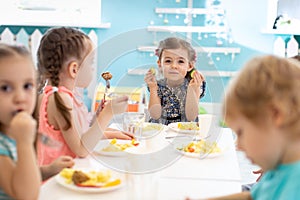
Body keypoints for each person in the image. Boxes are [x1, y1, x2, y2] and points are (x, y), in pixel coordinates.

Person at [204, 55, 300, 199]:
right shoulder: (279, 168)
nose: (239, 146)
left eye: (241, 132)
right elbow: (251, 197)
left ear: (275, 115)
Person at [35, 27, 130, 166]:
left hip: (65, 177)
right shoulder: (60, 99)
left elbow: (79, 135)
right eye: (91, 62)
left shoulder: (54, 96)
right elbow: (81, 149)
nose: (93, 68)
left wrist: (108, 131)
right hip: (58, 181)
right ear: (74, 69)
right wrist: (108, 113)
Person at [0, 43, 41, 199]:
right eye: (5, 88)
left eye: (27, 86)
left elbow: (20, 173)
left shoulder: (14, 133)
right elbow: (25, 196)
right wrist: (24, 143)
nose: (20, 97)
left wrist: (49, 169)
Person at [144, 37, 206, 125]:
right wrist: (153, 88)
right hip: (161, 132)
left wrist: (192, 89)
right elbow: (155, 115)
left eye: (180, 61)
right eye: (168, 61)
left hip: (186, 132)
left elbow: (191, 116)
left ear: (189, 66)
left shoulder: (194, 84)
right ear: (160, 64)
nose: (174, 66)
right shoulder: (158, 85)